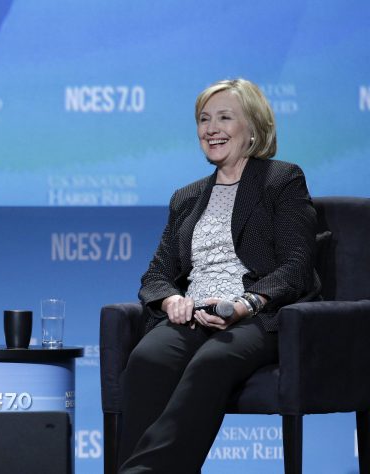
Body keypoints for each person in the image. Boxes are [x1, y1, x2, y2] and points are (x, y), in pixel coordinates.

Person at [117, 78, 321, 473]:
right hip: (193, 314)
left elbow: (296, 265)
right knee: (147, 358)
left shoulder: (281, 180)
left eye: (224, 118)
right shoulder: (187, 196)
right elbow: (157, 273)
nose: (211, 128)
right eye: (203, 119)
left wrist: (245, 304)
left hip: (256, 316)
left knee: (212, 361)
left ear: (254, 129)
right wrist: (171, 299)